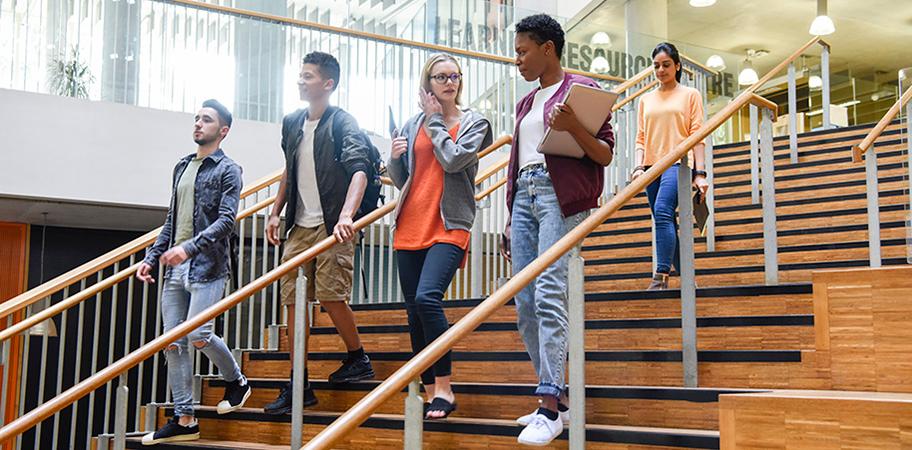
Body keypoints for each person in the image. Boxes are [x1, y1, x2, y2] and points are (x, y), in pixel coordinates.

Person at [501, 14, 614, 446]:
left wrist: (573, 128)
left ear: (547, 48)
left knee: (549, 291)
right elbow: (517, 161)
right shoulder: (526, 103)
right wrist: (509, 215)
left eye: (522, 51)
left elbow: (604, 154)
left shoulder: (582, 89)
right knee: (524, 300)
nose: (517, 60)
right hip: (524, 196)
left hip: (559, 196)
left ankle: (549, 405)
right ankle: (556, 395)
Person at [262, 52, 375, 415]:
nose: (301, 80)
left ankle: (358, 357)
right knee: (293, 301)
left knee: (330, 295)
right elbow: (289, 170)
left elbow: (360, 171)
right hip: (299, 225)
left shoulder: (342, 122)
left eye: (308, 76)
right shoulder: (292, 122)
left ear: (327, 84)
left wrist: (346, 216)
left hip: (332, 224)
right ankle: (299, 382)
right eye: (300, 75)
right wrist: (275, 212)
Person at [137, 99, 249, 445]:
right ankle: (185, 419)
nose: (198, 123)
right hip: (175, 267)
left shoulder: (229, 169)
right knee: (173, 343)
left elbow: (226, 221)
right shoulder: (182, 167)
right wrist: (152, 256)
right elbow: (173, 219)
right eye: (197, 118)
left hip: (208, 265)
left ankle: (237, 380)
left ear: (223, 131)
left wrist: (189, 248)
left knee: (199, 334)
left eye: (207, 120)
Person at [388, 53, 493, 420]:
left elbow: (453, 160)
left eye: (454, 76)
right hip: (410, 222)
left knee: (427, 298)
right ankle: (430, 389)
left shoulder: (475, 122)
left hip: (450, 223)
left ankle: (445, 387)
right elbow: (404, 180)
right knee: (413, 312)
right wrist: (394, 158)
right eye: (441, 77)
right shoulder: (412, 123)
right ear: (427, 83)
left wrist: (434, 121)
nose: (450, 82)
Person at [631, 42, 709, 290]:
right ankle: (688, 279)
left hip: (678, 163)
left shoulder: (690, 95)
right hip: (651, 167)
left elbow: (698, 134)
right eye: (656, 66)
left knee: (663, 210)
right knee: (664, 221)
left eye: (666, 65)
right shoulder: (645, 99)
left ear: (677, 66)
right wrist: (638, 167)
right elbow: (641, 137)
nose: (661, 70)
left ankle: (660, 276)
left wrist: (700, 173)